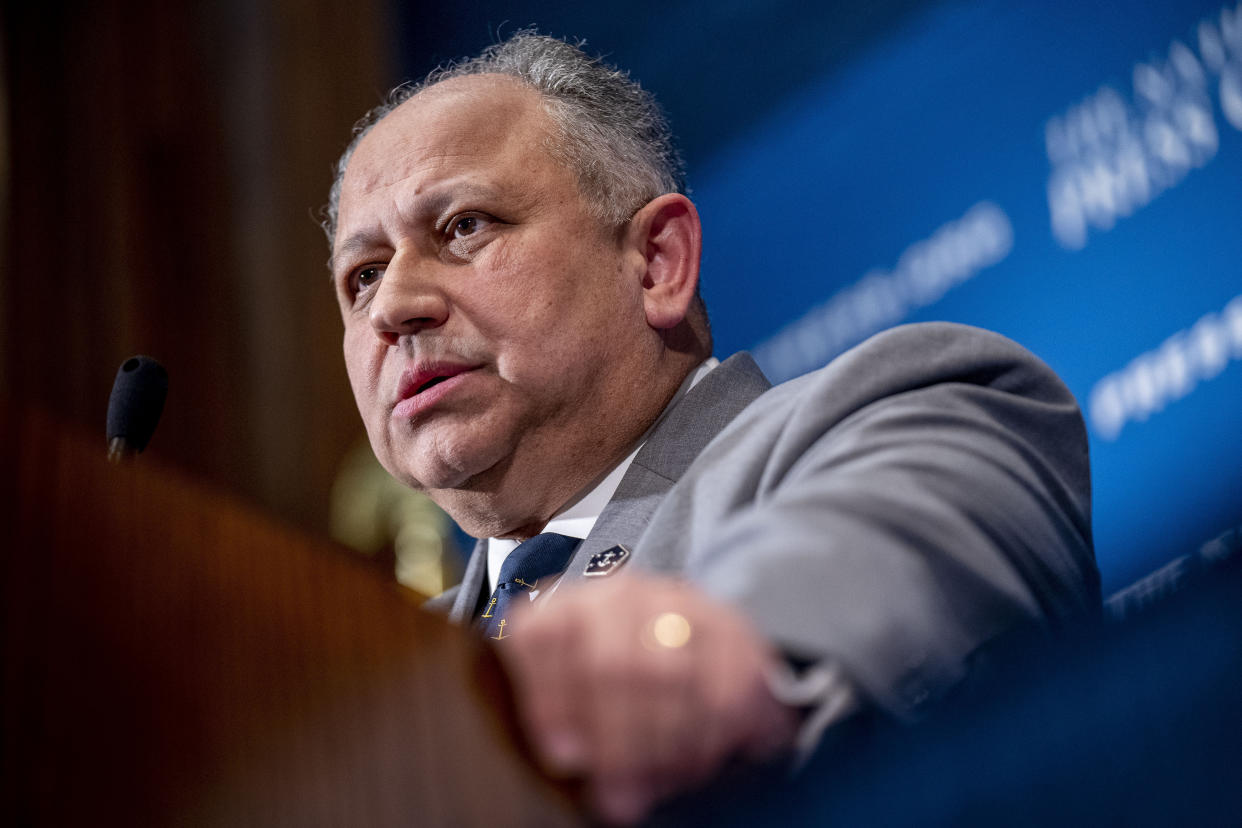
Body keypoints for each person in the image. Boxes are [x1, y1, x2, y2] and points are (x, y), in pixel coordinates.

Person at [323, 31, 1098, 824]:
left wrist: (715, 652)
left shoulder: (906, 406)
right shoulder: (369, 686)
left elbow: (916, 544)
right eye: (364, 276)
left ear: (657, 263)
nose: (392, 306)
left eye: (463, 227)